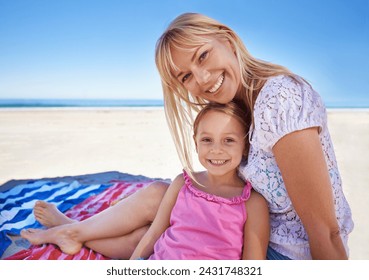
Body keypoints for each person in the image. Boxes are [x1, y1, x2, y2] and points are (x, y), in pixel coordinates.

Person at [22, 12, 353, 260]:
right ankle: (74, 230)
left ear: (227, 38)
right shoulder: (235, 107)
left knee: (165, 232)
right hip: (244, 232)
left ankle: (73, 230)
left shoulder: (280, 100)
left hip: (282, 255)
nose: (203, 79)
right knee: (160, 203)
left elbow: (326, 231)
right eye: (186, 76)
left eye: (203, 56)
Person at [130, 102, 269, 260]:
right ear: (196, 143)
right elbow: (154, 233)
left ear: (245, 146)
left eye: (229, 140)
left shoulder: (253, 203)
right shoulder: (182, 183)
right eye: (207, 140)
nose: (216, 150)